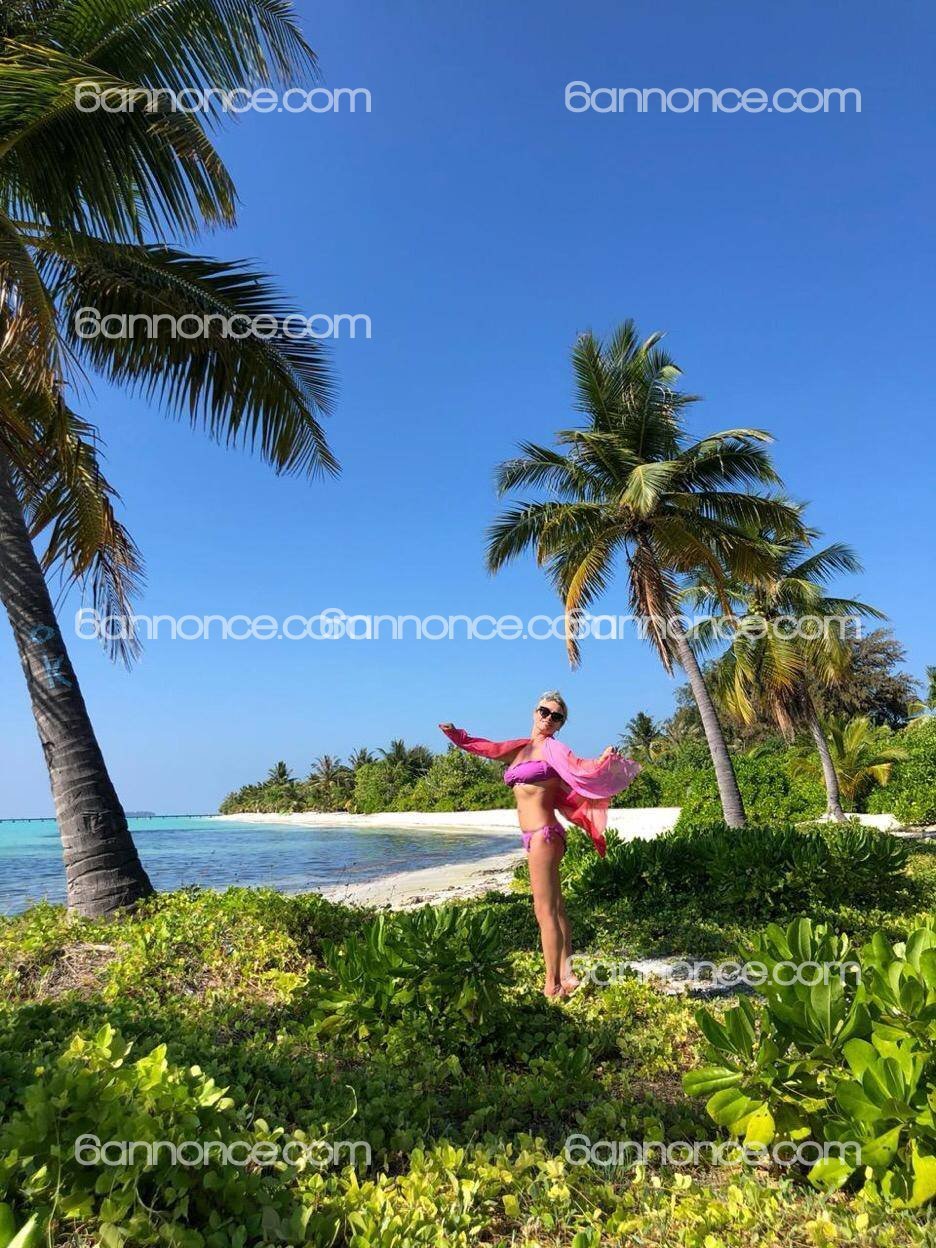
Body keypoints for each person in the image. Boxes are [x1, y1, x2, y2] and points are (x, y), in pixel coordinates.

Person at [440, 692, 640, 998]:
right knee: (556, 907)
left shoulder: (553, 749)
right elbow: (487, 748)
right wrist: (457, 736)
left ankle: (552, 985)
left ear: (560, 725)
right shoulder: (520, 748)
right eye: (545, 712)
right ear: (535, 712)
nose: (548, 719)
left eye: (556, 716)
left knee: (543, 911)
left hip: (543, 835)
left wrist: (604, 760)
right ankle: (567, 974)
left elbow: (582, 766)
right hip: (537, 836)